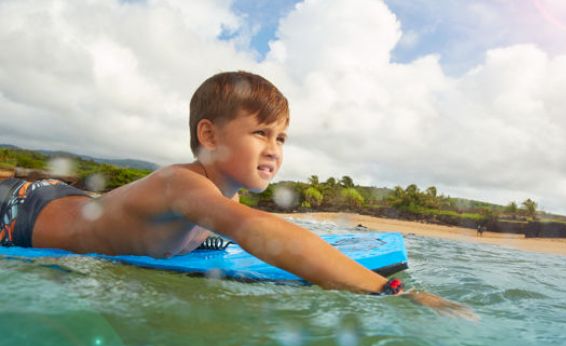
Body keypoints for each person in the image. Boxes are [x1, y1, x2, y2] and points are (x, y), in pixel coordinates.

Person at [0, 71, 475, 317]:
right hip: (19, 211)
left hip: (61, 194)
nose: (274, 150)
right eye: (261, 134)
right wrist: (391, 291)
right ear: (209, 135)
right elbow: (257, 232)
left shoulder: (226, 194)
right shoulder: (182, 184)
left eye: (282, 138)